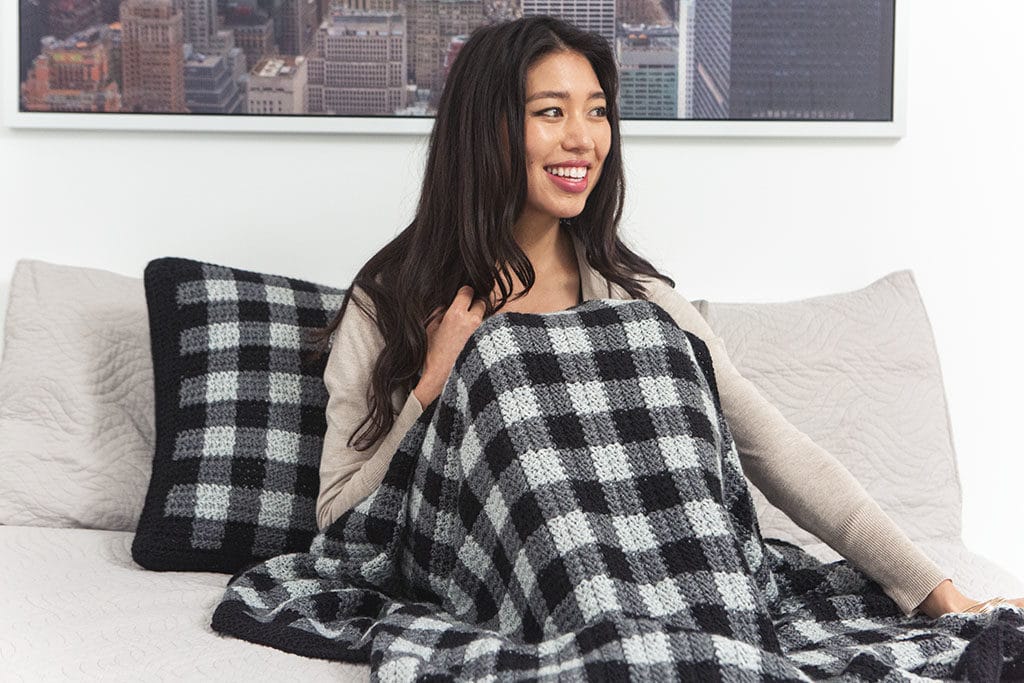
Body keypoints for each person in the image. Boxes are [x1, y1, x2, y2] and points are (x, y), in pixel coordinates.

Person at [312, 16, 1022, 620]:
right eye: (551, 112)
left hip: (670, 580)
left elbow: (778, 449)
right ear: (488, 130)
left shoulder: (640, 302)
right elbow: (338, 520)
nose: (584, 140)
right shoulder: (388, 303)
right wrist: (437, 378)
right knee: (499, 360)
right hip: (509, 580)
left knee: (653, 341)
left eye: (597, 112)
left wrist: (933, 588)